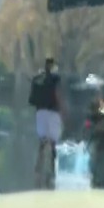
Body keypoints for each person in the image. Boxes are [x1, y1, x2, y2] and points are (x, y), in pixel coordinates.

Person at [28, 57, 65, 187]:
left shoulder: (37, 78)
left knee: (42, 143)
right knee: (53, 143)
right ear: (52, 65)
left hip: (40, 113)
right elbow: (57, 94)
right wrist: (63, 111)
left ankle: (38, 170)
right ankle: (52, 171)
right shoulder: (55, 78)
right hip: (53, 112)